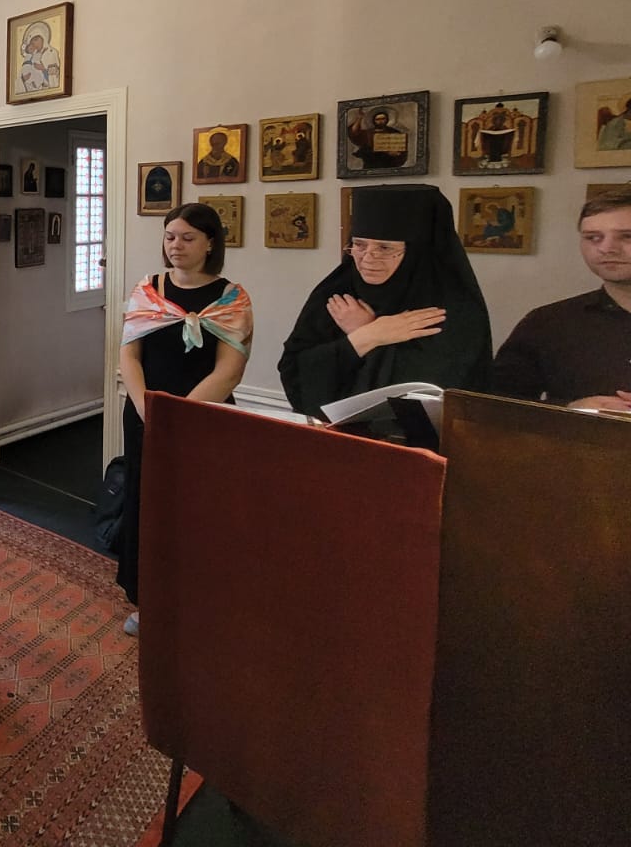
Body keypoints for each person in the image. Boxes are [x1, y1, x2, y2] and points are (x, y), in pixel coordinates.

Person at [116, 203, 253, 635]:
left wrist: (181, 416)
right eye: (170, 236)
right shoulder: (149, 288)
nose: (176, 245)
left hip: (203, 419)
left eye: (188, 237)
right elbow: (129, 356)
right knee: (148, 506)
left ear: (211, 243)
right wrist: (148, 408)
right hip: (145, 415)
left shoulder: (232, 297)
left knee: (198, 509)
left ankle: (201, 598)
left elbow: (229, 370)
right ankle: (151, 600)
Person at [278, 184, 492, 418]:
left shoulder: (453, 307)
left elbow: (428, 393)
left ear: (417, 251)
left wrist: (366, 333)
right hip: (329, 438)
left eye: (385, 247)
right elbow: (294, 371)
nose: (368, 258)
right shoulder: (336, 292)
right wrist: (367, 336)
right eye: (359, 244)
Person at [492, 186, 631, 409]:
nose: (607, 248)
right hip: (578, 441)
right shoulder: (548, 323)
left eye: (627, 236)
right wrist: (569, 409)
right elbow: (496, 404)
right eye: (593, 237)